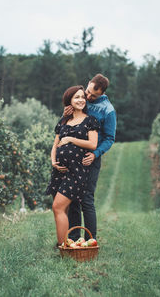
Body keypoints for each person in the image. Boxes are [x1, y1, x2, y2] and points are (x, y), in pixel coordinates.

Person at [64, 74, 116, 241]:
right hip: (73, 156)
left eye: (93, 95)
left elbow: (109, 138)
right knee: (72, 198)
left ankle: (90, 241)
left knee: (86, 198)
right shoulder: (82, 99)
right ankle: (73, 238)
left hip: (90, 158)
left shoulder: (108, 110)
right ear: (87, 85)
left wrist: (95, 154)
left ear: (102, 93)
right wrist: (65, 114)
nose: (88, 97)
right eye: (87, 92)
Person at [46, 85, 100, 246]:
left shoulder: (90, 121)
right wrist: (53, 161)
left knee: (58, 207)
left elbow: (92, 144)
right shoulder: (63, 121)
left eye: (83, 97)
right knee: (62, 209)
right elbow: (55, 145)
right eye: (77, 97)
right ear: (69, 100)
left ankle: (64, 245)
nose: (81, 100)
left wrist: (70, 139)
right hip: (59, 171)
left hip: (76, 173)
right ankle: (65, 244)